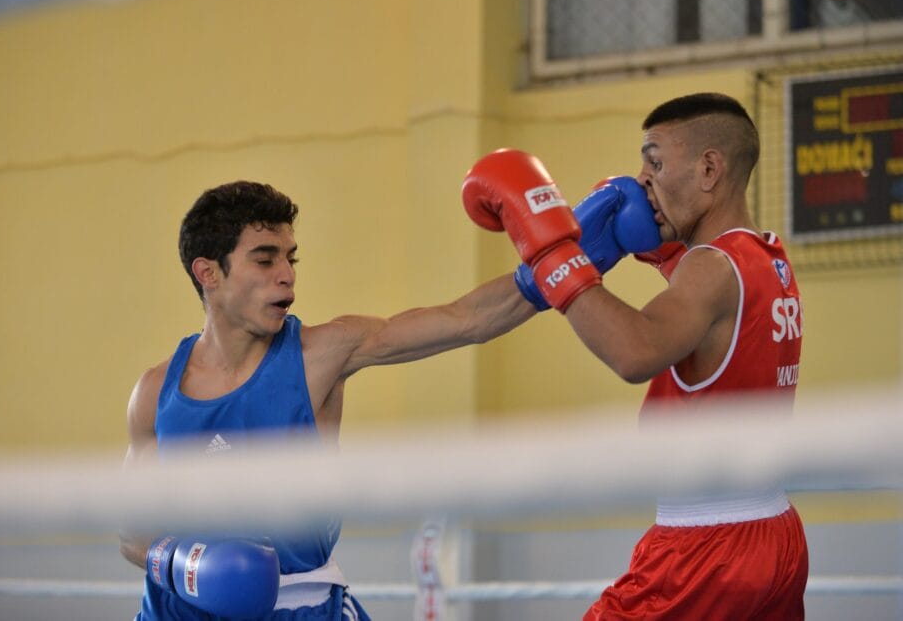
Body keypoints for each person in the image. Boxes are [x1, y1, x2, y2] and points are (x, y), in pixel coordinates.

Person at [120, 177, 661, 620]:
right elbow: (131, 533)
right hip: (173, 610)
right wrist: (187, 566)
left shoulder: (321, 354)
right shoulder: (155, 392)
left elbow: (465, 320)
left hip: (298, 607)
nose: (286, 276)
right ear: (208, 273)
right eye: (265, 259)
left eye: (291, 258)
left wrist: (565, 260)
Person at [463, 93, 808, 620]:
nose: (642, 179)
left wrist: (554, 252)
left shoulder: (710, 269)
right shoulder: (767, 259)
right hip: (775, 531)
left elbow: (636, 351)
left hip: (705, 550)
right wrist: (649, 248)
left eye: (656, 161)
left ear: (709, 168)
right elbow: (710, 320)